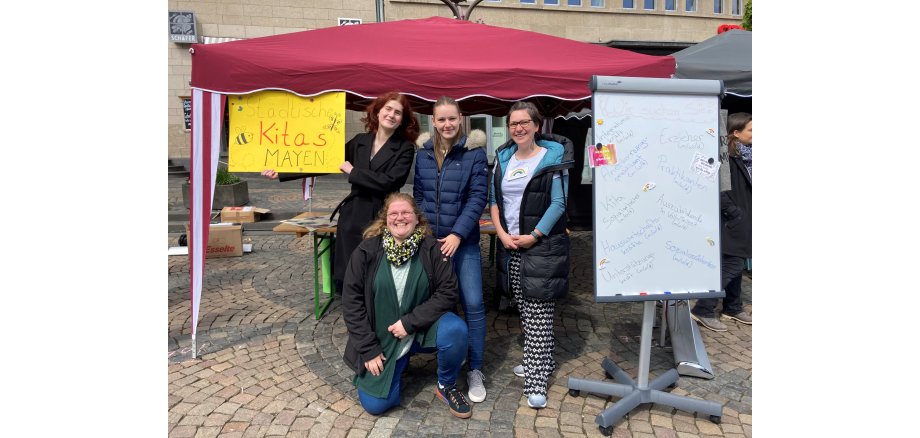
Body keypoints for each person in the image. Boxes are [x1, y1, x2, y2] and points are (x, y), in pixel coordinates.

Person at [263, 92, 419, 292]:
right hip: (353, 214)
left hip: (383, 215)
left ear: (402, 120)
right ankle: (351, 305)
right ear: (378, 112)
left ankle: (377, 307)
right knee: (349, 266)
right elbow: (323, 161)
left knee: (377, 268)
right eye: (388, 109)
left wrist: (353, 171)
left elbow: (390, 182)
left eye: (398, 113)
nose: (391, 115)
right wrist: (281, 171)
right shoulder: (360, 141)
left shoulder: (405, 148)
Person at [341, 193, 472, 418]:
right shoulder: (366, 251)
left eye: (406, 213)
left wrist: (410, 322)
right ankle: (396, 366)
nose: (400, 218)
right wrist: (368, 349)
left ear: (417, 218)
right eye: (394, 213)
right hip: (383, 336)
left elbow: (448, 292)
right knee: (376, 405)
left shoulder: (433, 249)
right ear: (385, 219)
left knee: (455, 330)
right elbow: (351, 302)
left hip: (421, 328)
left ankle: (446, 385)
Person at [489, 101, 573, 409]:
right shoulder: (503, 158)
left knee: (539, 316)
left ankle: (537, 381)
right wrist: (500, 234)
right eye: (513, 124)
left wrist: (534, 236)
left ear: (537, 126)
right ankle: (542, 361)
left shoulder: (552, 158)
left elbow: (559, 204)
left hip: (541, 247)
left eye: (525, 122)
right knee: (526, 310)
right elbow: (494, 201)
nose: (519, 128)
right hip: (510, 245)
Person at [413, 96, 490, 403]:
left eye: (452, 119)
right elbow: (418, 194)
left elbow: (477, 197)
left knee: (473, 303)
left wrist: (458, 234)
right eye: (441, 119)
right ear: (433, 122)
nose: (447, 124)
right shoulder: (424, 153)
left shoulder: (474, 153)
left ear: (461, 119)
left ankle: (475, 368)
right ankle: (449, 360)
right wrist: (425, 234)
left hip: (464, 243)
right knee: (440, 303)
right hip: (432, 244)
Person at [691, 112, 752, 332]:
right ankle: (703, 308)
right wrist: (734, 212)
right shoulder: (723, 156)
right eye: (751, 130)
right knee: (732, 263)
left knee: (736, 260)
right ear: (736, 133)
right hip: (731, 219)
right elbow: (714, 186)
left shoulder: (744, 155)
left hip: (742, 217)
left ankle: (732, 307)